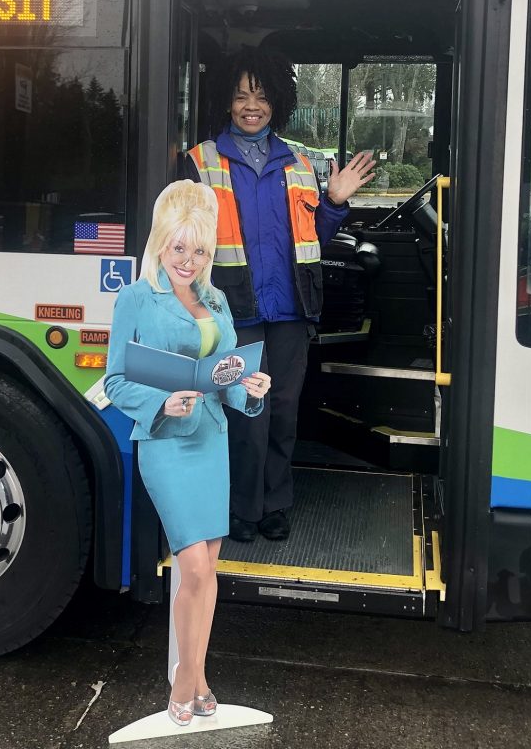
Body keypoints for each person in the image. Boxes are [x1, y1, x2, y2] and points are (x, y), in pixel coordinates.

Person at [185, 47, 375, 543]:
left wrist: (334, 201)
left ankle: (275, 505)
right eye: (242, 94)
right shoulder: (200, 162)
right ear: (227, 100)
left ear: (278, 102)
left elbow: (314, 236)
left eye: (263, 95)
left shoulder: (300, 161)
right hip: (235, 312)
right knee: (246, 415)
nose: (253, 105)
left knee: (284, 412)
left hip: (291, 310)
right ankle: (241, 509)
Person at [104, 180, 272, 727]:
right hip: (165, 441)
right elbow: (116, 381)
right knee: (192, 564)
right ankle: (183, 680)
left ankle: (199, 679)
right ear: (160, 243)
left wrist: (248, 388)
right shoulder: (135, 297)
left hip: (211, 439)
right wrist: (162, 402)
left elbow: (223, 378)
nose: (188, 259)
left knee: (209, 568)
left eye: (199, 250)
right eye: (179, 247)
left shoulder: (215, 299)